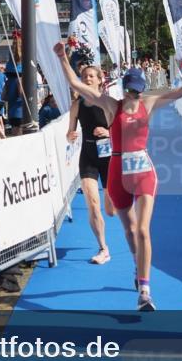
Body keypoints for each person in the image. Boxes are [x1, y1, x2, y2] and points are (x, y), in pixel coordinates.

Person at [54, 40, 182, 310]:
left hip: (143, 173)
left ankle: (144, 290)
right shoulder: (110, 105)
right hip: (117, 174)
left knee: (142, 229)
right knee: (129, 231)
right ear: (124, 89)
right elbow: (77, 86)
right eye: (131, 91)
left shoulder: (149, 103)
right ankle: (137, 265)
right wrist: (62, 58)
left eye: (137, 92)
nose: (134, 96)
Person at [67, 63, 117, 265]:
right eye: (84, 77)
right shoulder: (77, 105)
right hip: (88, 156)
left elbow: (121, 132)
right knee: (92, 203)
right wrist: (71, 135)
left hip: (108, 157)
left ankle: (112, 200)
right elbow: (69, 135)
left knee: (111, 210)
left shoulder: (109, 103)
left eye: (91, 76)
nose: (87, 79)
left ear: (99, 79)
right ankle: (103, 248)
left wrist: (108, 133)